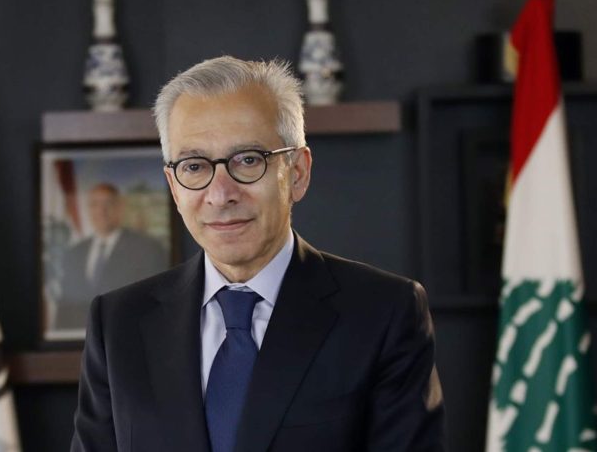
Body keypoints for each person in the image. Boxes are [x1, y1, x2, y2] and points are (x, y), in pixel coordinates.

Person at [71, 56, 445, 451]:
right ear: (173, 186)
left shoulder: (384, 313)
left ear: (297, 172)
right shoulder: (119, 323)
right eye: (195, 166)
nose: (221, 194)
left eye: (248, 160)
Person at [56, 183, 166, 330]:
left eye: (108, 203)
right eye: (94, 204)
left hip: (128, 335)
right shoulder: (74, 253)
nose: (101, 211)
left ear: (120, 208)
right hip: (77, 338)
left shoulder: (146, 249)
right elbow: (64, 307)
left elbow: (155, 304)